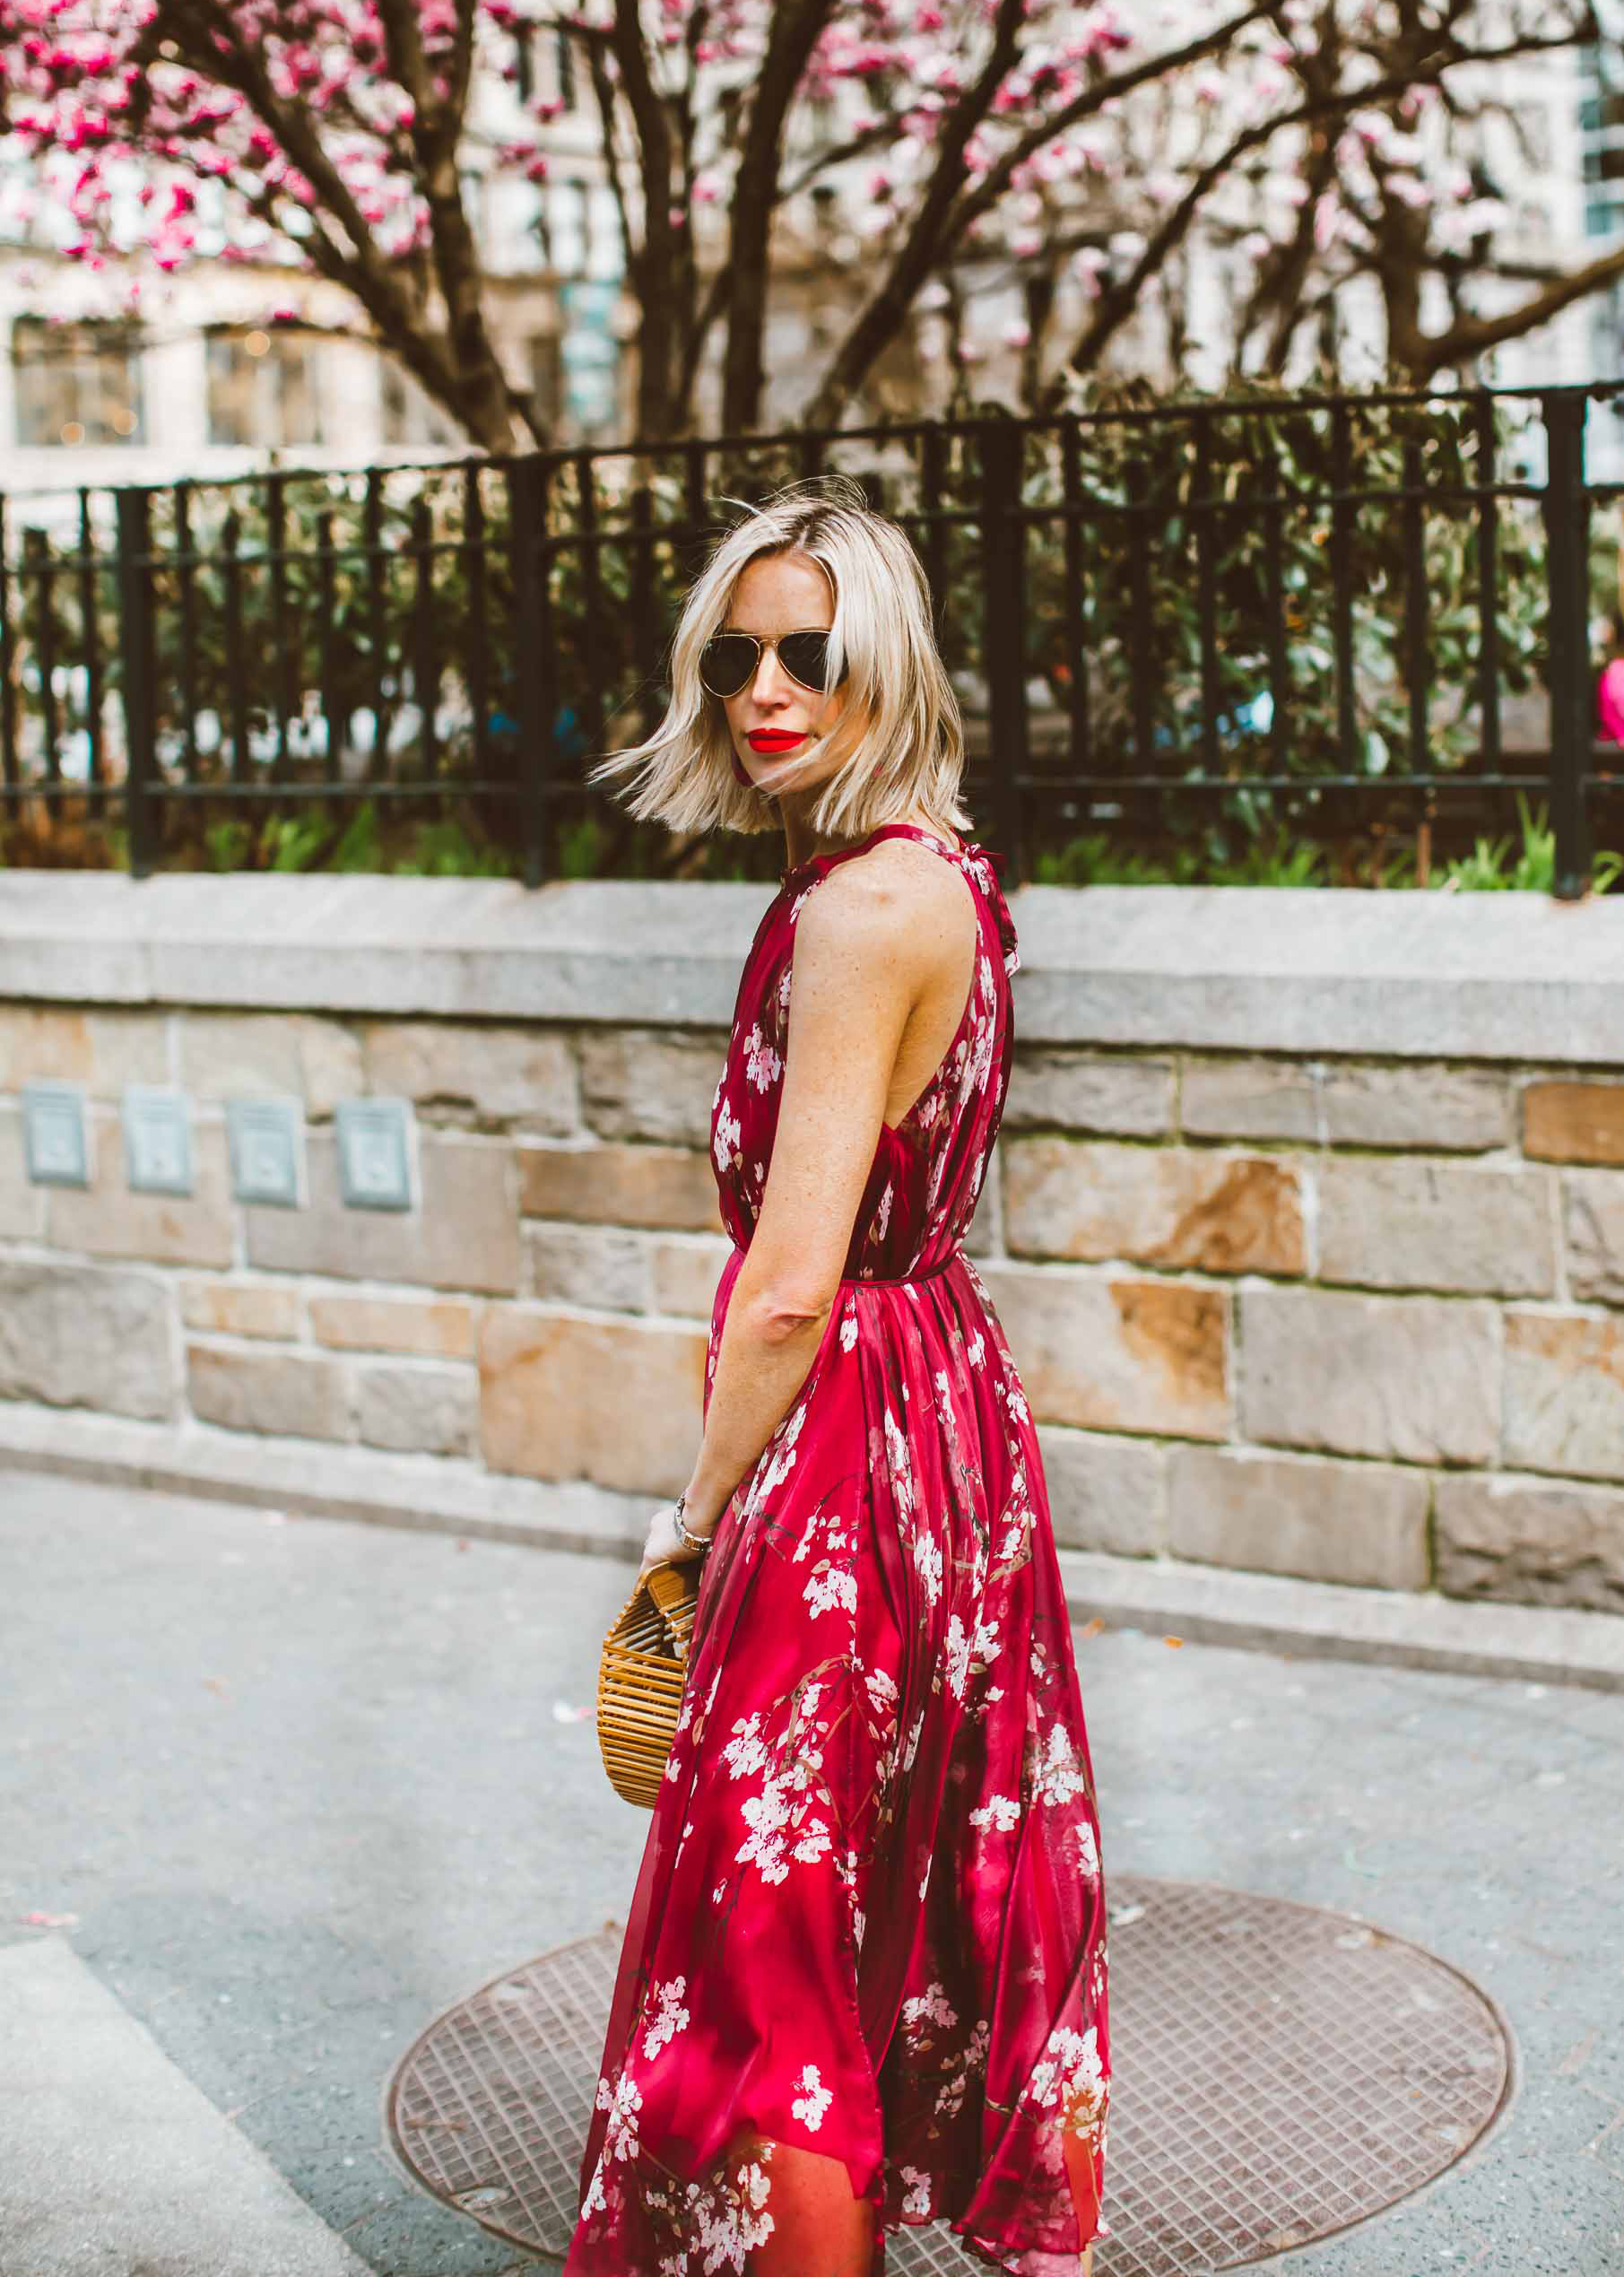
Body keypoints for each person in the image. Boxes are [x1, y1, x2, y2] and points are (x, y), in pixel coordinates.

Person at [562, 475, 1110, 2277]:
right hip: (939, 1412)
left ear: (891, 662)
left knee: (775, 1941)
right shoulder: (940, 878)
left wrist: (695, 1513)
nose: (764, 686)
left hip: (843, 1434)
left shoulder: (855, 916)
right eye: (736, 654)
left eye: (810, 651)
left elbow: (791, 1284)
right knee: (871, 1902)